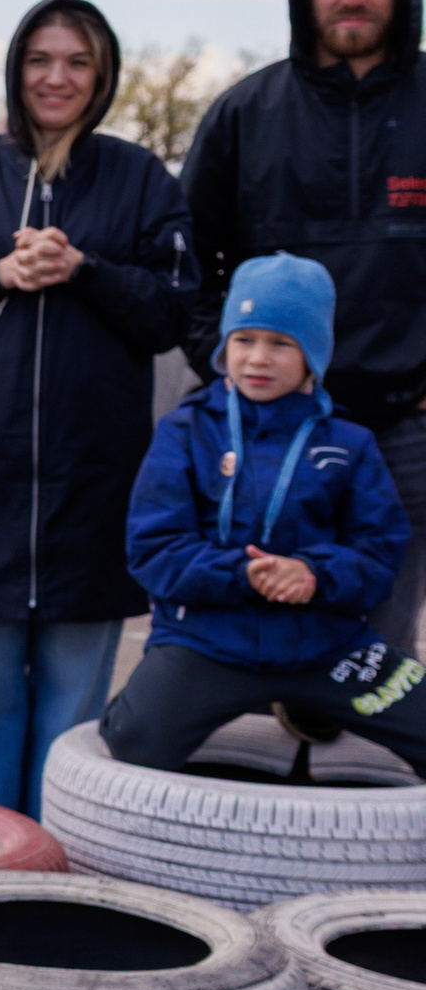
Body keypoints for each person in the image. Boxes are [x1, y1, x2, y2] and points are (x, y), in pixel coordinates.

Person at [0, 0, 194, 814]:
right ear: (17, 69)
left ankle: (55, 871)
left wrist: (84, 270)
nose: (57, 78)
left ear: (104, 75)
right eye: (40, 60)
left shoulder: (139, 178)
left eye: (78, 62)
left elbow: (173, 311)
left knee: (73, 718)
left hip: (92, 491)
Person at [183, 0, 426, 655]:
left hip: (408, 425)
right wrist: (220, 361)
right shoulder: (245, 111)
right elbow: (188, 258)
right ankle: (277, 767)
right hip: (274, 425)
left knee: (380, 636)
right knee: (269, 621)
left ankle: (373, 767)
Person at [101, 257, 426, 770]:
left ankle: (306, 704)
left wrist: (313, 575)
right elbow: (153, 550)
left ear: (314, 355)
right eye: (244, 339)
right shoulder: (185, 432)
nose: (258, 358)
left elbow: (381, 552)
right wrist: (243, 574)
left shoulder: (350, 443)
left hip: (327, 648)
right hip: (206, 644)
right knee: (132, 740)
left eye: (281, 343)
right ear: (225, 344)